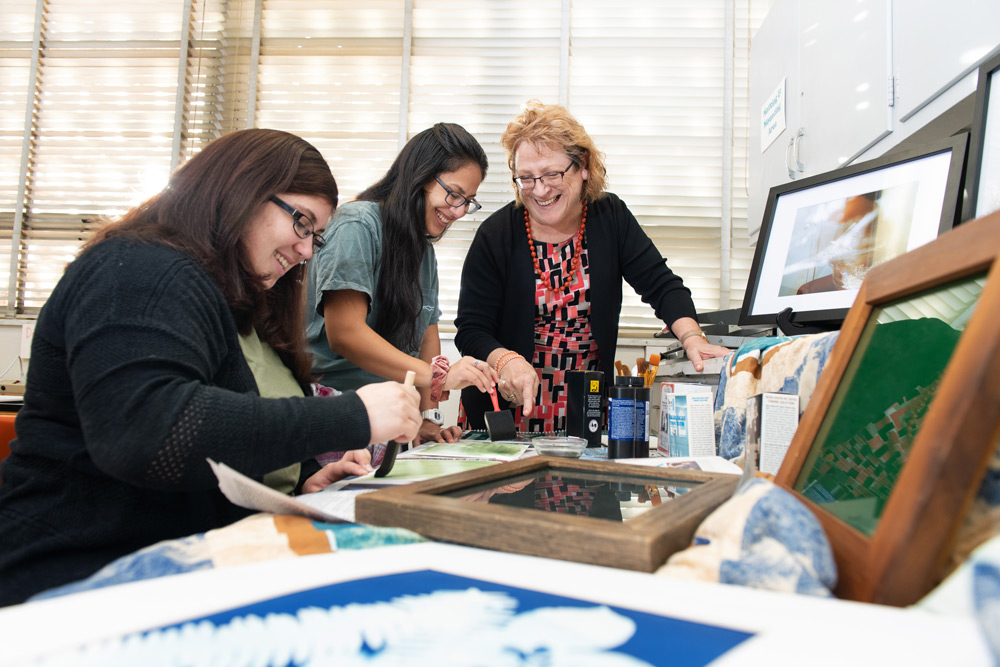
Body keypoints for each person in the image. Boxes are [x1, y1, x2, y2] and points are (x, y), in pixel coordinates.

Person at [0, 129, 421, 606]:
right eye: (301, 222)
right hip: (76, 573)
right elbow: (149, 433)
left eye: (315, 236)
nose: (307, 250)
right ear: (240, 190)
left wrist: (303, 477)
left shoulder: (243, 303)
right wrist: (353, 416)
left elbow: (234, 428)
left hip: (175, 562)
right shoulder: (141, 269)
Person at [455, 101, 729, 433]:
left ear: (582, 164)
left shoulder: (609, 217)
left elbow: (661, 285)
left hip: (584, 406)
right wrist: (505, 359)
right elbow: (471, 329)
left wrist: (691, 336)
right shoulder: (496, 234)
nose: (539, 190)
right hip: (509, 406)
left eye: (552, 174)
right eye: (526, 178)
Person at [306, 123, 497, 445]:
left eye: (469, 201)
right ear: (419, 177)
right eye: (454, 194)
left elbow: (427, 340)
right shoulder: (357, 226)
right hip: (335, 410)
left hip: (390, 419)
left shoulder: (423, 252)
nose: (460, 211)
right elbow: (345, 334)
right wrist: (440, 376)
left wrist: (428, 417)